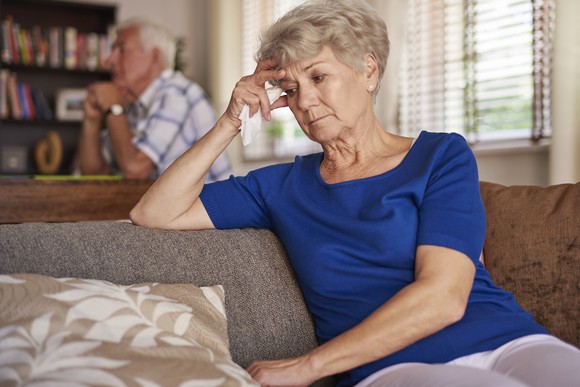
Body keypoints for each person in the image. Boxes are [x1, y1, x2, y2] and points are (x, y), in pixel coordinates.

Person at [129, 1, 580, 386]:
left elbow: (445, 295)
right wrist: (229, 120)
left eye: (318, 77)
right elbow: (154, 212)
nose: (304, 102)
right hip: (391, 367)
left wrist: (307, 367)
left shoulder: (441, 156)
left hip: (507, 338)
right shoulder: (280, 186)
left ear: (368, 69)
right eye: (290, 88)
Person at [78, 18, 231, 181]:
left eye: (121, 50)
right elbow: (95, 176)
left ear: (154, 57)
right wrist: (91, 119)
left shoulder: (178, 94)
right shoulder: (132, 106)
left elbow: (135, 170)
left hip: (212, 206)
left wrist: (114, 107)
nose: (109, 60)